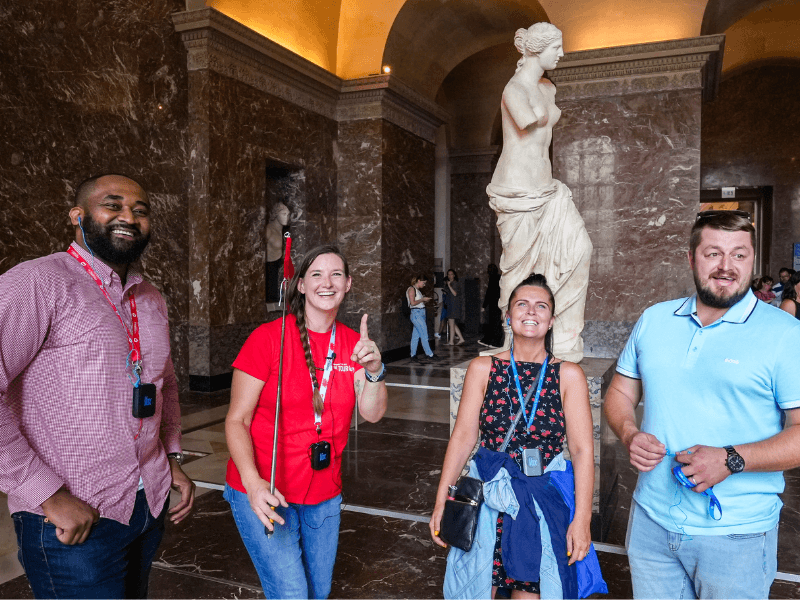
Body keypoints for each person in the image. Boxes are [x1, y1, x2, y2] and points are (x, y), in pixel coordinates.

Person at [0, 173, 195, 599]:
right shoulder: (38, 282)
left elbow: (165, 384)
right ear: (78, 216)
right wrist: (47, 495)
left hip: (146, 504)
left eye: (140, 211)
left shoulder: (150, 297)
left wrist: (170, 456)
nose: (129, 216)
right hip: (72, 517)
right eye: (114, 205)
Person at [603, 210, 800, 599]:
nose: (726, 267)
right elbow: (620, 393)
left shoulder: (785, 334)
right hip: (651, 524)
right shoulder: (654, 320)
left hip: (737, 535)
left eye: (739, 255)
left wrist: (730, 459)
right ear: (691, 258)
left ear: (752, 261)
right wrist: (629, 433)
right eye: (713, 253)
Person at [224, 245, 388, 599]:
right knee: (293, 593)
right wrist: (253, 486)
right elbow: (236, 420)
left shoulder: (352, 345)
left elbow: (372, 413)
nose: (326, 283)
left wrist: (374, 371)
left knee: (318, 591)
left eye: (335, 275)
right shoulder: (267, 339)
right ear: (300, 285)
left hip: (324, 492)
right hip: (266, 489)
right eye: (316, 274)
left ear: (347, 284)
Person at [431, 273, 596, 598]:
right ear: (509, 315)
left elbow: (581, 451)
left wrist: (582, 519)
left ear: (550, 320)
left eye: (541, 306)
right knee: (481, 587)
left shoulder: (568, 375)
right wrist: (442, 500)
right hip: (487, 500)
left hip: (539, 503)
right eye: (522, 304)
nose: (531, 312)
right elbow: (463, 437)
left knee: (533, 591)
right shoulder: (483, 368)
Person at [487, 22, 592, 362]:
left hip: (547, 188)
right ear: (535, 50)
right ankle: (512, 339)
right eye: (555, 48)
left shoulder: (547, 87)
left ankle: (562, 336)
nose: (561, 54)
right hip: (517, 188)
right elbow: (526, 121)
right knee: (517, 271)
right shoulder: (513, 89)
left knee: (581, 249)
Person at [407, 275, 439, 362]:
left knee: (416, 336)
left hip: (420, 313)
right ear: (418, 280)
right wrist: (423, 299)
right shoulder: (411, 289)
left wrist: (424, 300)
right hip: (416, 313)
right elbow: (412, 303)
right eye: (423, 283)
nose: (424, 285)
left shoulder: (417, 290)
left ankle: (413, 355)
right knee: (424, 334)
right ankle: (429, 354)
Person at [266, 202, 291, 302]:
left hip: (278, 265)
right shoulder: (269, 230)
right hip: (269, 265)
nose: (287, 217)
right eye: (284, 214)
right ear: (276, 215)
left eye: (288, 215)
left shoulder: (282, 231)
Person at [479, 263, 504, 347]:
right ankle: (497, 341)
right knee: (498, 323)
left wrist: (484, 306)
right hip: (500, 303)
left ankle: (493, 341)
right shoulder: (500, 277)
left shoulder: (492, 278)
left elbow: (489, 293)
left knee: (493, 323)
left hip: (493, 305)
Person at [444, 269, 466, 345]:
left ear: (454, 275)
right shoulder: (451, 283)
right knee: (452, 324)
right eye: (448, 274)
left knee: (451, 323)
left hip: (454, 305)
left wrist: (449, 286)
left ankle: (451, 341)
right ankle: (460, 339)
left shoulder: (455, 283)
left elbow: (455, 294)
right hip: (451, 305)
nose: (450, 276)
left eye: (451, 274)